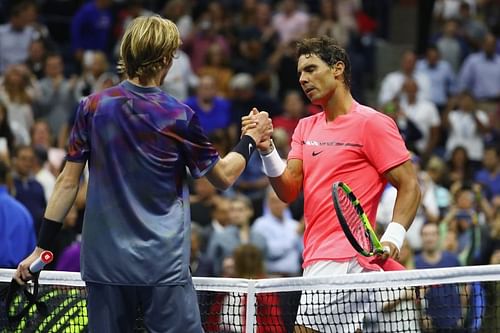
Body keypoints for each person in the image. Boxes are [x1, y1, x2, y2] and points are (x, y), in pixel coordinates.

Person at [14, 15, 271, 333]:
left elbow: (67, 181)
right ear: (165, 59)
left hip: (105, 266)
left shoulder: (92, 108)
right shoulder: (178, 115)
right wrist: (251, 138)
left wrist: (41, 248)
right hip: (161, 267)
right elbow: (223, 176)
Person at [243, 36, 421, 333]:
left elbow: (410, 186)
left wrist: (392, 238)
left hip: (346, 258)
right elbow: (287, 190)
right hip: (315, 254)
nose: (303, 79)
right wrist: (266, 148)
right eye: (300, 73)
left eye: (311, 69)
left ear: (337, 69)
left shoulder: (372, 124)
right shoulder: (305, 127)